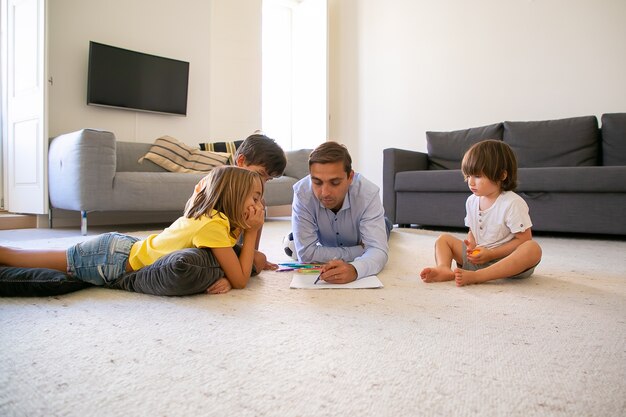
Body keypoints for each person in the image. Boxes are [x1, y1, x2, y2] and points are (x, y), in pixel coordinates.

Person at [0, 166, 267, 294]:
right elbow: (242, 277)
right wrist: (253, 231)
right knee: (23, 258)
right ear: (233, 195)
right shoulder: (213, 225)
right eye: (254, 198)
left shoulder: (218, 221)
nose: (259, 206)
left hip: (123, 248)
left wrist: (251, 233)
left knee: (49, 260)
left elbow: (246, 259)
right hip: (112, 259)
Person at [420, 139, 542, 286]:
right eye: (468, 176)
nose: (470, 182)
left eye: (477, 176)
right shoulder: (471, 201)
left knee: (532, 248)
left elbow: (524, 239)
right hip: (479, 258)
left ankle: (479, 276)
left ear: (501, 176)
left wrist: (491, 254)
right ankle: (443, 268)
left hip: (507, 261)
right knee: (443, 239)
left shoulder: (512, 203)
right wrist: (471, 245)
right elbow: (473, 230)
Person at [291, 141, 391, 284]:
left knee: (385, 229)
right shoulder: (302, 193)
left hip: (364, 231)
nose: (325, 193)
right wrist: (359, 250)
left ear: (350, 177)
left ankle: (385, 223)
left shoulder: (368, 194)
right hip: (356, 244)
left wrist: (355, 269)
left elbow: (378, 250)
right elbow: (306, 255)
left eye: (335, 182)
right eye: (317, 182)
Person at [192, 132, 286, 269]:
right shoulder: (215, 186)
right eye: (259, 174)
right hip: (204, 247)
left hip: (229, 246)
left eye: (267, 179)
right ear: (241, 161)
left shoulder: (255, 202)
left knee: (258, 259)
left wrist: (251, 257)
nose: (262, 183)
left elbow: (252, 246)